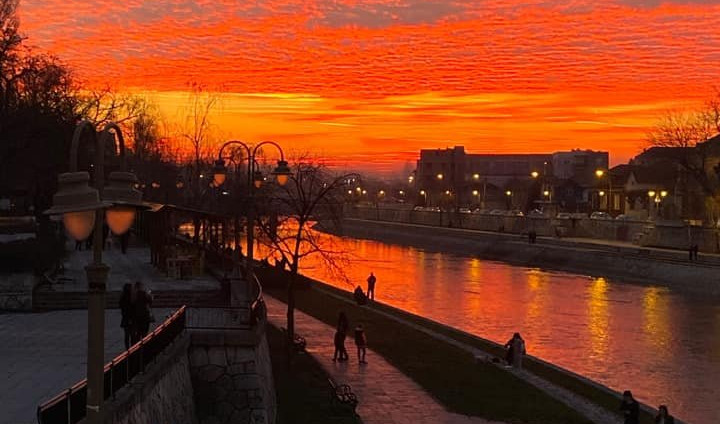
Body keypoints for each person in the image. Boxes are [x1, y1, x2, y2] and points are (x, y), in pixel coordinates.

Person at [119, 283, 135, 350]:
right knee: (132, 335)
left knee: (127, 335)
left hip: (125, 318)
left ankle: (127, 348)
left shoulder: (123, 297)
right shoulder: (130, 297)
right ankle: (132, 348)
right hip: (130, 318)